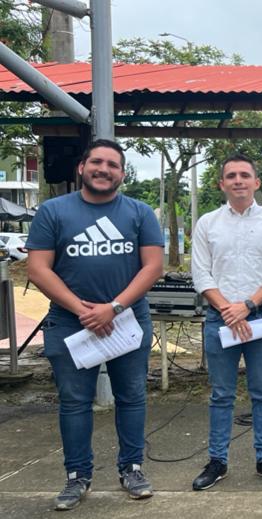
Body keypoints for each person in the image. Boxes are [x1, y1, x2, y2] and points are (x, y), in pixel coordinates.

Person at [26, 139, 163, 510]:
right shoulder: (53, 211)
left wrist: (114, 307)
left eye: (113, 165)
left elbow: (153, 266)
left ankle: (132, 469)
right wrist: (84, 310)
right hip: (70, 322)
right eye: (97, 162)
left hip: (127, 320)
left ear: (122, 173)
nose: (104, 170)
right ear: (81, 168)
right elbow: (38, 268)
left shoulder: (139, 212)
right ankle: (77, 477)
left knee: (132, 397)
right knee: (74, 402)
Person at [189, 154, 262, 490]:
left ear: (256, 182)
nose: (238, 181)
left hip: (260, 318)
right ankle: (217, 460)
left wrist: (247, 306)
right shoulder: (207, 223)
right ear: (221, 183)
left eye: (244, 175)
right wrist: (227, 309)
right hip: (220, 319)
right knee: (221, 394)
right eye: (230, 175)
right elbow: (200, 272)